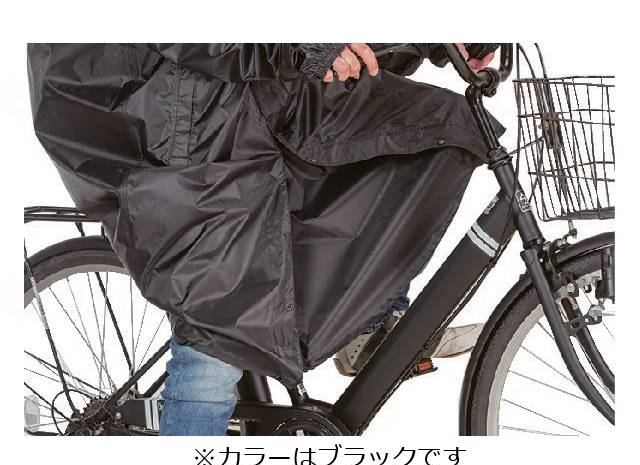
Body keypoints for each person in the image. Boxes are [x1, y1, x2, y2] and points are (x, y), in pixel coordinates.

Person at [28, 42, 497, 437]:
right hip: (142, 97)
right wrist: (303, 45)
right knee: (223, 315)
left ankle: (369, 322)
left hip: (229, 77)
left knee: (434, 123)